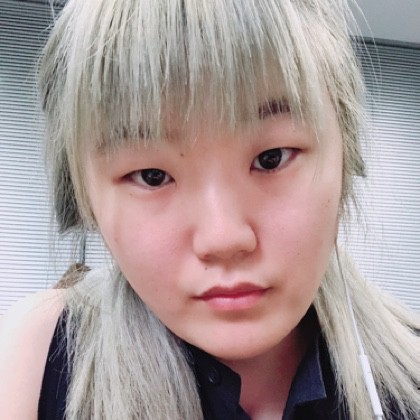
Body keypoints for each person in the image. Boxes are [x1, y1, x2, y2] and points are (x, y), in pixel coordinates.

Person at [0, 0, 418, 419]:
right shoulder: (35, 362)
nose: (224, 238)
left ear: (345, 158)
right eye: (152, 176)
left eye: (271, 158)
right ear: (84, 197)